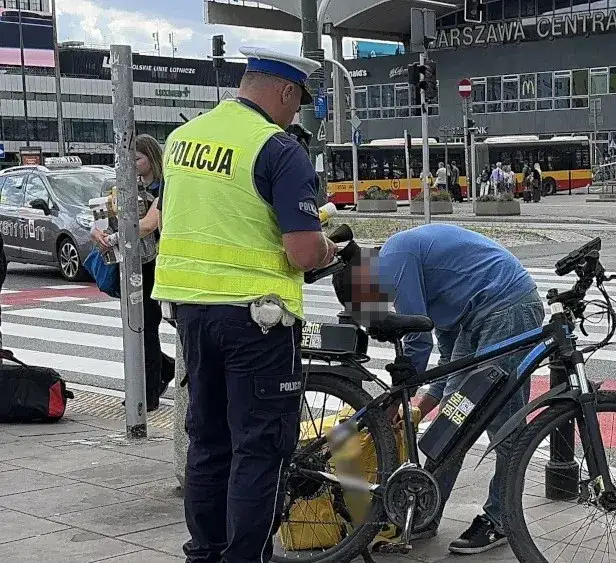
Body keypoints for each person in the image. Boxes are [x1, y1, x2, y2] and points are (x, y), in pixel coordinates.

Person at [151, 47, 337, 563]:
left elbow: (170, 218)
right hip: (258, 319)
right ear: (285, 91)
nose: (295, 113)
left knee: (208, 441)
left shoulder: (181, 140)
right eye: (297, 102)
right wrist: (326, 246)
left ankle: (204, 553)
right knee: (260, 447)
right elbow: (301, 251)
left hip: (191, 311)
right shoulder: (277, 148)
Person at [342, 223, 543, 555]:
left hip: (508, 305)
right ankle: (425, 513)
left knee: (502, 424)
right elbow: (448, 361)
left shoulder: (395, 257)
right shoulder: (425, 283)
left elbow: (417, 338)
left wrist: (397, 400)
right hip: (476, 314)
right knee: (452, 422)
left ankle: (500, 520)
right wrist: (422, 406)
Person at [92, 134, 175, 411]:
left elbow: (149, 225)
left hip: (156, 263)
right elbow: (103, 216)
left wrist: (115, 237)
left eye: (137, 159)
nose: (132, 165)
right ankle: (162, 371)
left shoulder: (165, 188)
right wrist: (98, 230)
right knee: (137, 327)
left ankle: (148, 394)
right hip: (131, 263)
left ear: (152, 158)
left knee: (145, 328)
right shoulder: (126, 188)